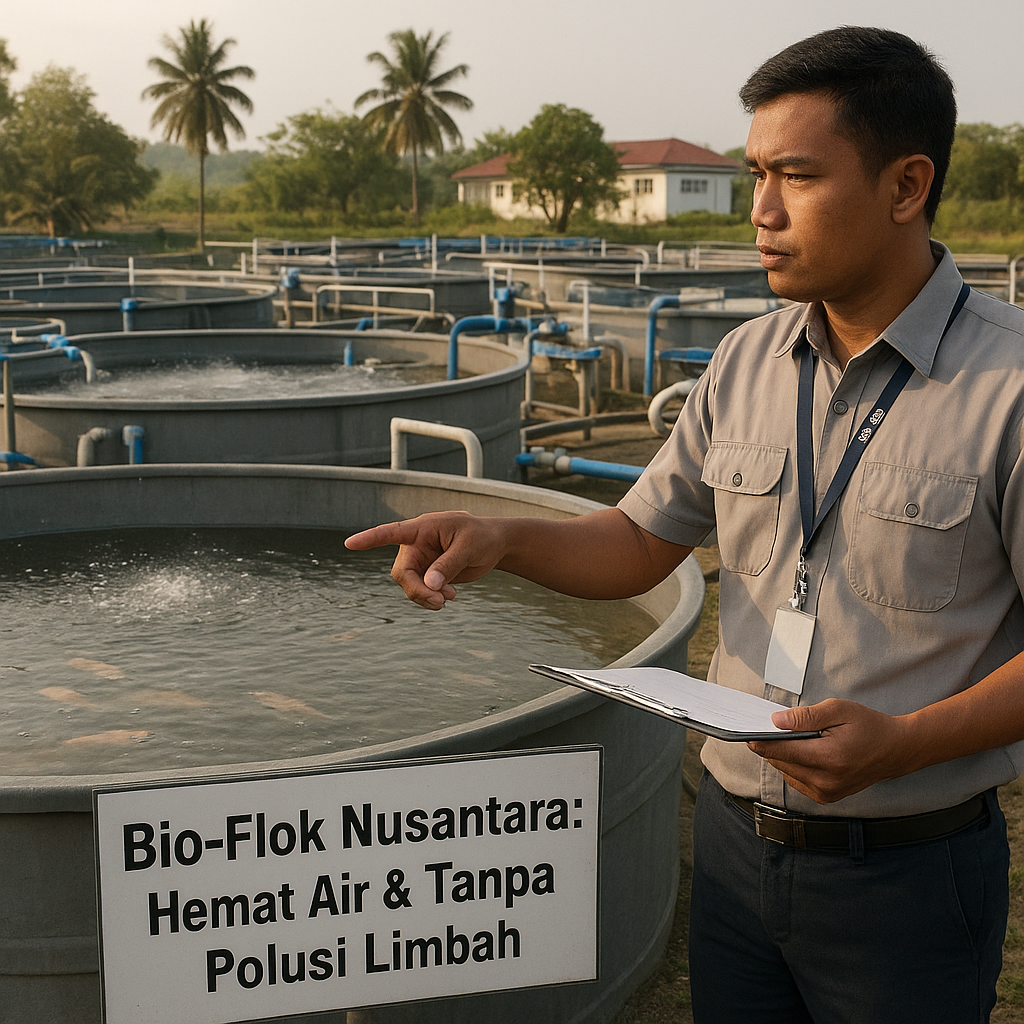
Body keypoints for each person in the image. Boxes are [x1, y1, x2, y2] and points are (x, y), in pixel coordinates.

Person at [346, 26, 1024, 1023]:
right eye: (756, 174)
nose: (761, 212)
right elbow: (637, 543)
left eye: (796, 176)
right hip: (735, 853)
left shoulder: (1008, 386)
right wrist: (503, 536)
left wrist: (905, 742)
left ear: (905, 185)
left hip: (907, 875)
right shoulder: (746, 362)